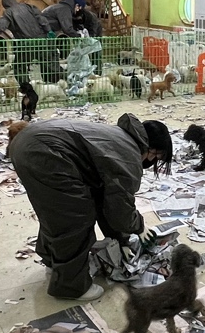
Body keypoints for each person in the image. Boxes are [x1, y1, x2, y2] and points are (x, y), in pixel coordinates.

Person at [9, 114, 173, 300]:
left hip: (26, 143)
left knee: (56, 213)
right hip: (45, 153)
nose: (152, 161)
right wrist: (139, 227)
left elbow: (104, 200)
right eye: (156, 156)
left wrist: (121, 240)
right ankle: (71, 287)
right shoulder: (129, 155)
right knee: (75, 217)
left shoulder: (119, 138)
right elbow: (120, 209)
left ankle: (54, 261)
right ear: (152, 150)